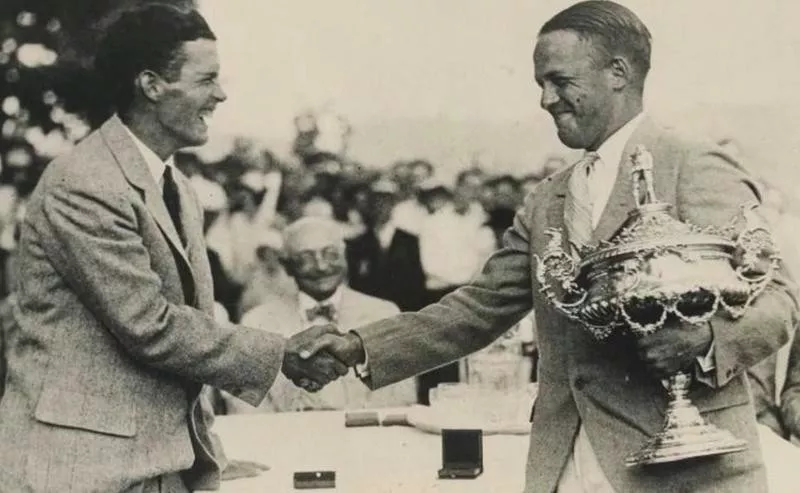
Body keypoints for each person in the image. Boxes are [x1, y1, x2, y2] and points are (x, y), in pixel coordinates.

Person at [300, 2, 798, 492]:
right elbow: (478, 308)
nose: (545, 99)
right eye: (540, 84)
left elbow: (777, 296)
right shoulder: (546, 200)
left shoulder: (693, 164)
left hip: (684, 471)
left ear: (618, 73)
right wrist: (360, 346)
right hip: (561, 463)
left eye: (560, 81)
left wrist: (705, 341)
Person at [0, 5, 345, 492]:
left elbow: (191, 330)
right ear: (152, 85)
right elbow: (151, 326)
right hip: (79, 469)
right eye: (206, 80)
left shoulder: (177, 188)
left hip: (155, 465)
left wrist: (205, 457)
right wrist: (280, 354)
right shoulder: (83, 183)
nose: (221, 94)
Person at [226, 217, 416, 413]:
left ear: (345, 257)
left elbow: (400, 397)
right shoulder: (257, 321)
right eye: (306, 258)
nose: (321, 266)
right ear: (287, 266)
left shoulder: (384, 314)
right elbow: (245, 404)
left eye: (331, 254)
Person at [346, 177, 427, 313]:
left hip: (402, 312)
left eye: (387, 201)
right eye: (377, 201)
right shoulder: (358, 243)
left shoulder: (409, 240)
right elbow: (356, 285)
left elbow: (417, 283)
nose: (382, 206)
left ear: (393, 204)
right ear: (370, 205)